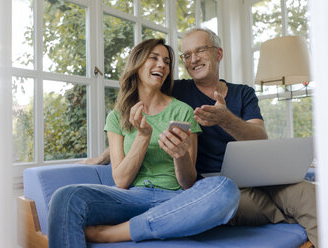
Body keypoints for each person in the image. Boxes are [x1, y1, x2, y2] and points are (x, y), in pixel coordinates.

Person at [81, 29, 318, 247]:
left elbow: (259, 136)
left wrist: (226, 118)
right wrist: (106, 155)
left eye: (200, 50)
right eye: (186, 55)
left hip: (264, 177)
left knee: (312, 197)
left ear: (218, 53)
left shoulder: (243, 93)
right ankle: (289, 216)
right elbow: (139, 118)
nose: (192, 59)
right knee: (250, 203)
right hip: (217, 184)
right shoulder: (175, 91)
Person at [48, 38, 240, 247]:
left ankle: (115, 233)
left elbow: (188, 183)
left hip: (175, 199)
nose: (162, 65)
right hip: (131, 199)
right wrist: (143, 136)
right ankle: (163, 223)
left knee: (225, 189)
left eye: (167, 61)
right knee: (65, 197)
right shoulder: (117, 117)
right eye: (154, 58)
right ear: (137, 64)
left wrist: (180, 154)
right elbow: (121, 181)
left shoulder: (182, 110)